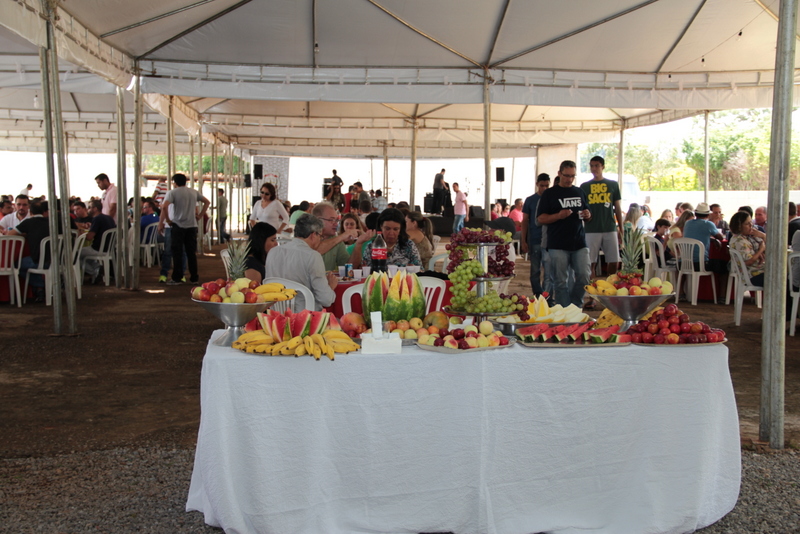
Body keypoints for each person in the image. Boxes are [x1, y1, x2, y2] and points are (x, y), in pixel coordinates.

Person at [537, 160, 592, 308]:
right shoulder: (549, 194)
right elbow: (540, 218)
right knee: (560, 281)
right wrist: (558, 216)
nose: (569, 179)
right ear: (559, 173)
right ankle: (564, 310)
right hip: (557, 244)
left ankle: (575, 305)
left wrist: (587, 215)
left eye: (572, 176)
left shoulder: (579, 192)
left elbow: (588, 215)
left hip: (579, 242)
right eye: (566, 175)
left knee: (584, 276)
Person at [264, 214, 337, 311]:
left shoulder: (273, 252)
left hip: (276, 316)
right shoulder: (312, 256)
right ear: (313, 235)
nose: (320, 240)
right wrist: (330, 286)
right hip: (306, 317)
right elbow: (326, 300)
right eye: (320, 236)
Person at [157, 173, 210, 286]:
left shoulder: (172, 192)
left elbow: (164, 206)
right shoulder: (193, 192)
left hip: (178, 225)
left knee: (177, 252)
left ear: (174, 182)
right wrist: (200, 215)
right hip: (191, 225)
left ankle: (177, 277)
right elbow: (207, 202)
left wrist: (167, 220)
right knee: (191, 253)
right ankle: (194, 278)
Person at [580, 156, 623, 279]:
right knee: (590, 262)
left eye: (597, 165)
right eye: (592, 165)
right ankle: (592, 293)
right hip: (591, 228)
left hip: (609, 227)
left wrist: (621, 228)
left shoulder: (613, 184)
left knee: (614, 260)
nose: (594, 168)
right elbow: (581, 208)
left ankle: (610, 287)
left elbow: (617, 207)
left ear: (603, 166)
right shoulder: (584, 186)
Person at [8, 200, 50, 302]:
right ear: (44, 212)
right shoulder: (51, 222)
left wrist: (25, 233)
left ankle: (40, 286)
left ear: (30, 213)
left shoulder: (28, 222)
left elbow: (10, 234)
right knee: (28, 266)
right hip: (54, 260)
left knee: (16, 265)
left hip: (37, 260)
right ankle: (40, 289)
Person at [351, 207, 421, 269]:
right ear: (381, 227)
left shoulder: (409, 245)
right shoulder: (372, 246)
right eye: (387, 229)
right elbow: (362, 268)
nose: (391, 233)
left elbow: (420, 269)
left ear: (401, 229)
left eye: (395, 229)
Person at [521, 173, 551, 297]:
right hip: (535, 239)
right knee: (535, 270)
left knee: (549, 272)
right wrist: (524, 240)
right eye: (542, 185)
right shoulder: (530, 200)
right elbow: (525, 221)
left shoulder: (551, 198)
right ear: (537, 184)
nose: (544, 188)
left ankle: (546, 295)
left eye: (546, 186)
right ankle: (537, 294)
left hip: (550, 240)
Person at [80, 200, 117, 283]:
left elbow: (89, 237)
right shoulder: (109, 218)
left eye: (89, 207)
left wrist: (82, 233)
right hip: (109, 249)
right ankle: (97, 267)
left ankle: (95, 271)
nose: (87, 209)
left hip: (98, 249)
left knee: (75, 254)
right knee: (84, 255)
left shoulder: (97, 219)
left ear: (95, 209)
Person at [312, 201, 356, 271]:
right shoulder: (306, 236)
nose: (336, 224)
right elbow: (314, 252)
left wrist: (359, 244)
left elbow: (348, 268)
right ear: (319, 220)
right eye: (331, 220)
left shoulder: (336, 240)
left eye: (337, 220)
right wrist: (342, 236)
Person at [729, 211, 765, 287]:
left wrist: (762, 236)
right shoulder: (739, 241)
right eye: (747, 224)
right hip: (751, 275)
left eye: (751, 222)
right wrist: (761, 249)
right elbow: (749, 262)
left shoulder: (748, 237)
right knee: (780, 278)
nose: (751, 225)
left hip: (757, 271)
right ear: (739, 226)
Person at [682, 202, 724, 267]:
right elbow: (720, 237)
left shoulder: (688, 223)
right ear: (708, 215)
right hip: (700, 263)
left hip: (684, 262)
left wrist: (712, 239)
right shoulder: (708, 224)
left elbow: (696, 236)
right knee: (724, 265)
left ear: (695, 214)